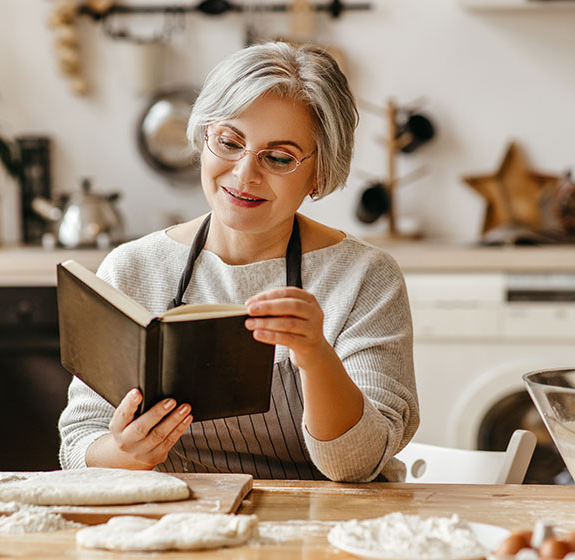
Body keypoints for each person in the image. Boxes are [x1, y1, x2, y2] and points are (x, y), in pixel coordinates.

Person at [58, 42, 419, 482]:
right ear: (203, 138)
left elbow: (356, 465)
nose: (244, 173)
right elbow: (79, 443)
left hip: (320, 532)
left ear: (319, 173)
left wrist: (314, 354)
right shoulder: (132, 269)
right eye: (230, 142)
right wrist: (125, 452)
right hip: (181, 525)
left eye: (279, 157)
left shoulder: (364, 278)